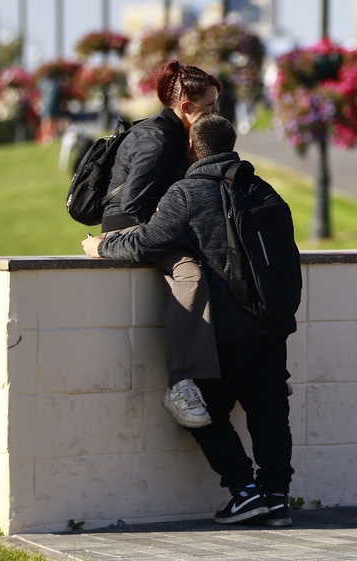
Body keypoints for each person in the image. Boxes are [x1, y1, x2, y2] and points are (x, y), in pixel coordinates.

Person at [83, 115, 296, 527]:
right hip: (273, 323)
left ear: (194, 149)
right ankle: (277, 499)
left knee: (199, 410)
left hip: (227, 330)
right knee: (269, 413)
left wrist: (103, 245)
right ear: (231, 145)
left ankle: (244, 490)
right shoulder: (262, 189)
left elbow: (146, 242)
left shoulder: (187, 193)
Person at [101, 59, 221, 429]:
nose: (216, 113)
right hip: (129, 229)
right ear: (187, 108)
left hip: (158, 225)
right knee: (191, 275)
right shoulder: (156, 139)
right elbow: (133, 205)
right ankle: (182, 384)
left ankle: (239, 369)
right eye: (211, 107)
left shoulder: (174, 136)